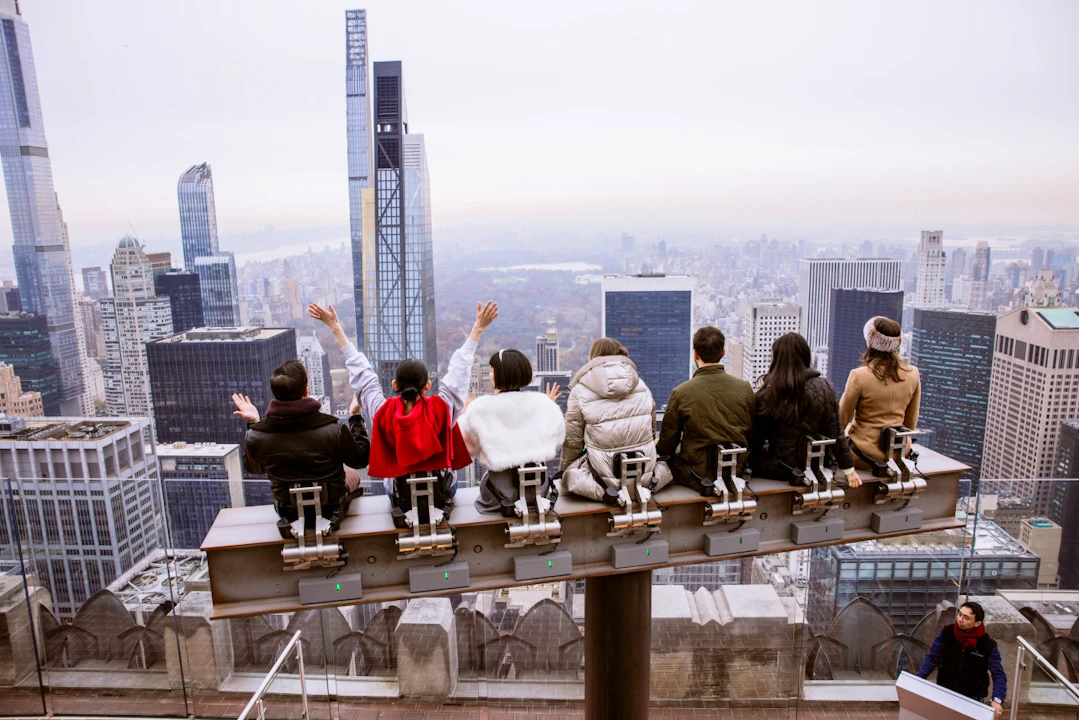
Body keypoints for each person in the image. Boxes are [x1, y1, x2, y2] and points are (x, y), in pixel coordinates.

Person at [308, 301, 496, 523]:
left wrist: (336, 329)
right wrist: (477, 329)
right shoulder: (442, 408)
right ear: (427, 386)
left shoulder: (381, 412)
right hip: (441, 495)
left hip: (400, 498)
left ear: (395, 385)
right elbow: (459, 373)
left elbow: (363, 375)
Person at [233, 360, 370, 539]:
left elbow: (254, 468)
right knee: (351, 474)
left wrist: (254, 424)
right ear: (306, 390)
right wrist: (355, 417)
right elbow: (360, 459)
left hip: (288, 511)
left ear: (275, 394)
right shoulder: (333, 428)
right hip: (331, 507)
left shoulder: (257, 436)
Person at [560, 337, 672, 502]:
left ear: (593, 359)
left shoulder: (580, 391)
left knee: (571, 476)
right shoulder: (642, 386)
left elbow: (573, 441)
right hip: (645, 477)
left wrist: (565, 471)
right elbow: (650, 431)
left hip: (605, 482)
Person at [457, 349, 565, 515]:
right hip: (539, 492)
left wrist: (465, 415)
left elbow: (466, 447)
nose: (489, 375)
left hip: (499, 496)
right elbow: (556, 443)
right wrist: (546, 407)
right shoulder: (543, 405)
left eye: (492, 370)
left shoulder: (480, 408)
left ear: (500, 375)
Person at [748, 333, 859, 487]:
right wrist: (848, 469)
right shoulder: (825, 388)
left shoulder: (769, 391)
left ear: (777, 359)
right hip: (816, 466)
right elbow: (836, 433)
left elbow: (756, 439)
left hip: (779, 468)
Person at [656, 326, 755, 492]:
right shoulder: (744, 388)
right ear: (723, 353)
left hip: (696, 474)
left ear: (695, 354)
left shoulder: (681, 393)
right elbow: (751, 433)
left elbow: (666, 447)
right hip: (734, 471)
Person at [838, 316, 921, 467]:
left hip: (863, 455)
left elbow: (841, 420)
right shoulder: (913, 373)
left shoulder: (859, 376)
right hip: (899, 453)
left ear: (870, 342)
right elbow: (910, 424)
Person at [916, 602, 1006, 718]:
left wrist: (997, 700)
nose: (960, 619)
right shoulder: (947, 633)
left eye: (966, 617)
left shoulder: (988, 645)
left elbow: (998, 673)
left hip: (973, 699)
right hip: (945, 692)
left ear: (977, 623)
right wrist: (919, 678)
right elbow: (933, 658)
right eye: (960, 614)